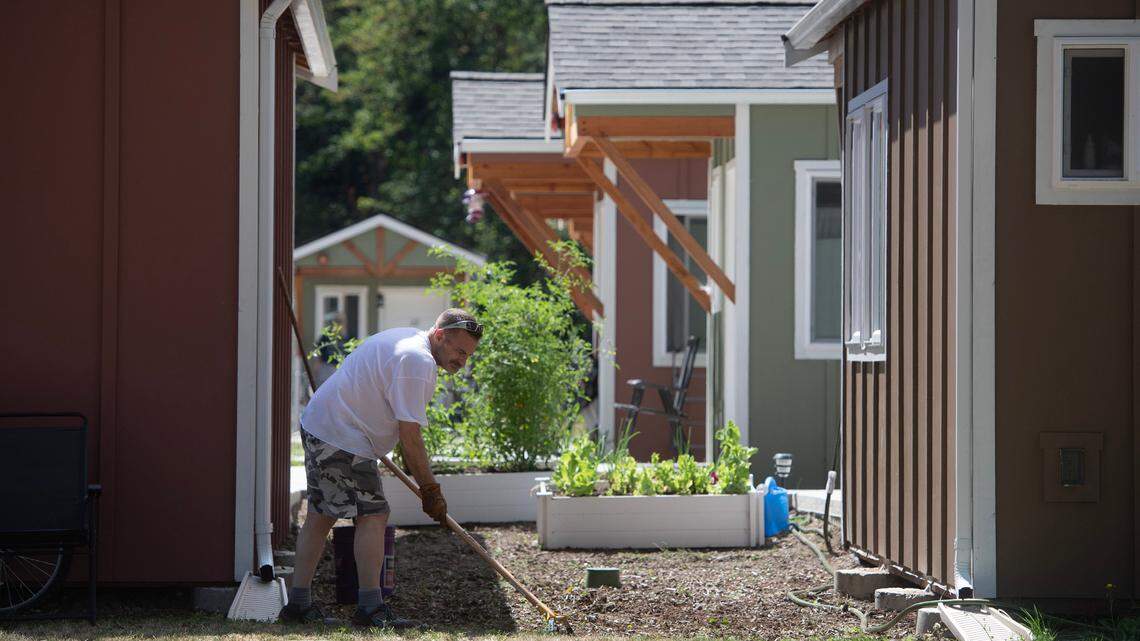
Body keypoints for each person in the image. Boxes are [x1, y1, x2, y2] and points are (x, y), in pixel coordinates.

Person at [279, 309, 484, 628]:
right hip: (339, 433)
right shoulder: (418, 362)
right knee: (354, 514)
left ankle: (306, 606)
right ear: (440, 335)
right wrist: (430, 489)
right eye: (459, 351)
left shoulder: (412, 343)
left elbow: (396, 418)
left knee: (341, 514)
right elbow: (410, 436)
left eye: (468, 355)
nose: (462, 361)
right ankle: (359, 608)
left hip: (336, 428)